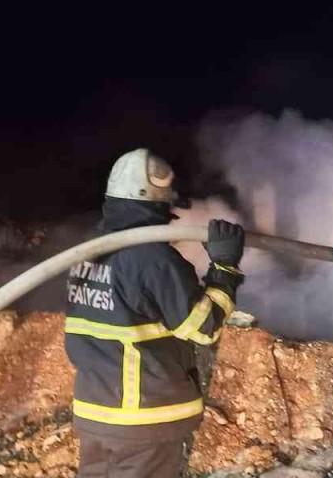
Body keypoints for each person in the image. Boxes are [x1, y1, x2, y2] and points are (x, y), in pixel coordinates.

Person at [64, 148, 246, 478]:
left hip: (96, 413)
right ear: (159, 200)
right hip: (142, 420)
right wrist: (225, 268)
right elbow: (203, 327)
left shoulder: (88, 251)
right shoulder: (153, 259)